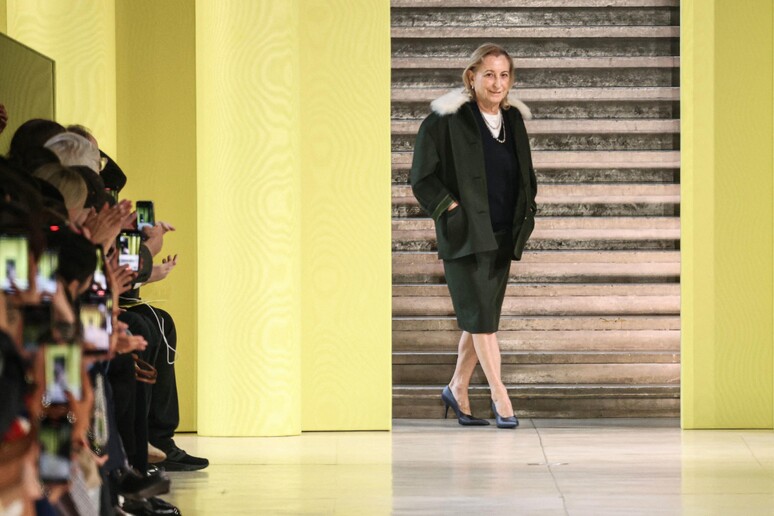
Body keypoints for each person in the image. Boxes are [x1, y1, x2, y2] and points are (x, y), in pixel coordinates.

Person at [410, 43, 538, 429]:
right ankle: (501, 396)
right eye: (489, 74)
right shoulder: (446, 120)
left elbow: (524, 173)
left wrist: (528, 206)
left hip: (503, 234)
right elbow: (421, 177)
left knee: (478, 318)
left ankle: (457, 388)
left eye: (504, 75)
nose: (497, 83)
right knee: (483, 320)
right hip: (466, 236)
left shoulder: (513, 120)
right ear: (472, 77)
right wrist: (452, 209)